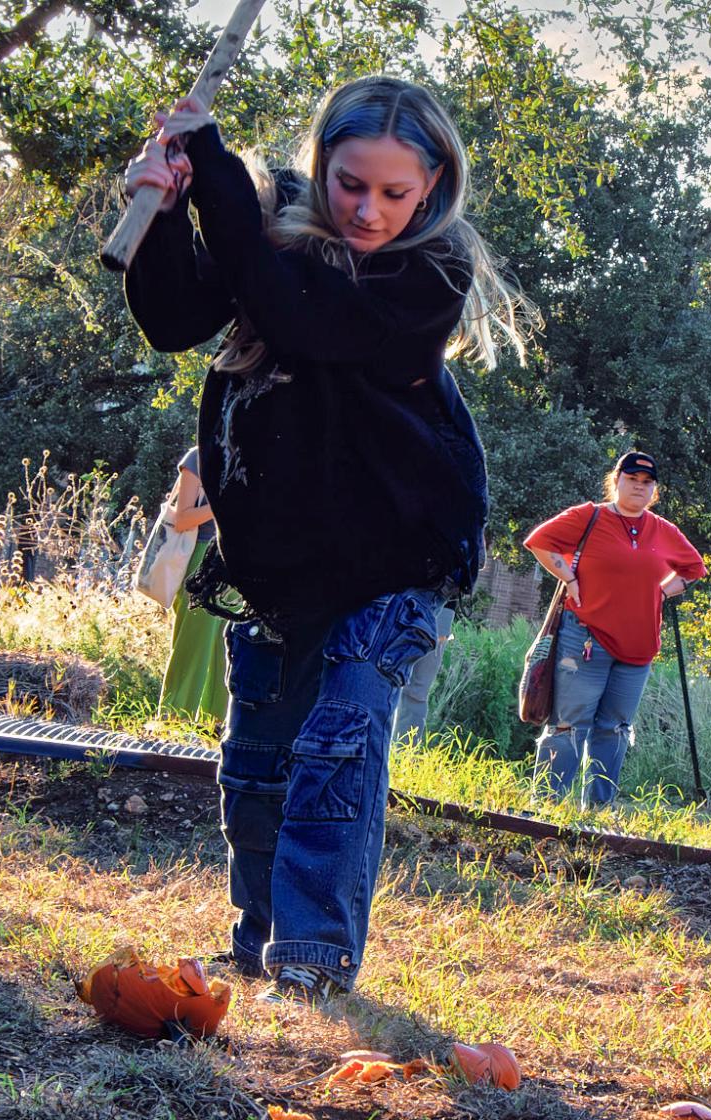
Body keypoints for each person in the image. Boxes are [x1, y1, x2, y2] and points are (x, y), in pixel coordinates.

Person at [121, 75, 529, 1003]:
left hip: (392, 557)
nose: (369, 210)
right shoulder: (269, 226)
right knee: (258, 764)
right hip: (279, 559)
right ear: (322, 164)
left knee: (336, 751)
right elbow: (175, 317)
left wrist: (220, 173)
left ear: (433, 186)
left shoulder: (429, 273)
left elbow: (299, 319)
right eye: (350, 184)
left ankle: (310, 958)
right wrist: (170, 212)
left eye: (395, 191)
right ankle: (257, 939)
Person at [524, 451, 705, 807]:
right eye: (632, 480)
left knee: (615, 728)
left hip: (638, 649)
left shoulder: (663, 530)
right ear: (616, 480)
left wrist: (663, 591)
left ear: (654, 490)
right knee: (569, 724)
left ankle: (597, 812)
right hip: (585, 638)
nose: (639, 487)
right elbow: (540, 541)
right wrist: (568, 576)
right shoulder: (588, 517)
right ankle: (546, 809)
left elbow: (694, 568)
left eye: (646, 483)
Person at [156, 446, 229, 722]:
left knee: (225, 648)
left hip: (235, 559)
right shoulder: (199, 457)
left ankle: (215, 724)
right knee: (193, 644)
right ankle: (173, 719)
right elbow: (183, 519)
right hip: (199, 556)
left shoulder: (252, 456)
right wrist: (223, 505)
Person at [389, 599, 456, 747]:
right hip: (403, 600)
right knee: (385, 680)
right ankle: (384, 753)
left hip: (440, 605)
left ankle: (402, 755)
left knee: (416, 691)